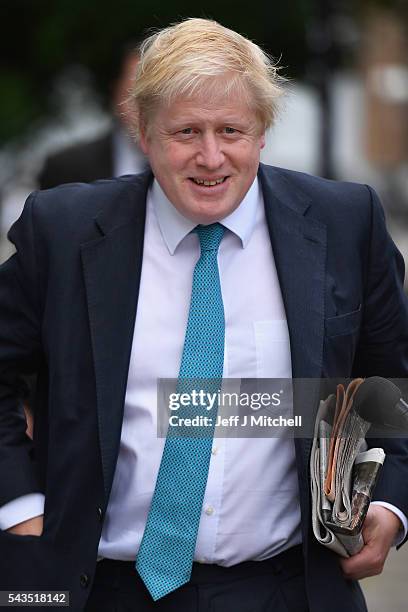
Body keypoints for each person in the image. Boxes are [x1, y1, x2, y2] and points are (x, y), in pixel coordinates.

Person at [0, 17, 407, 612]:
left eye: (231, 130)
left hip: (287, 588)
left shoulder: (346, 224)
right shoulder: (62, 232)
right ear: (141, 130)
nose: (210, 156)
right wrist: (20, 509)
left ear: (263, 129)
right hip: (95, 587)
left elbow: (391, 384)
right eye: (186, 131)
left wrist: (390, 504)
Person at [38, 44, 149, 189]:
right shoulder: (67, 167)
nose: (147, 109)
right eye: (135, 96)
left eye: (156, 97)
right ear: (115, 93)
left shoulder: (184, 161)